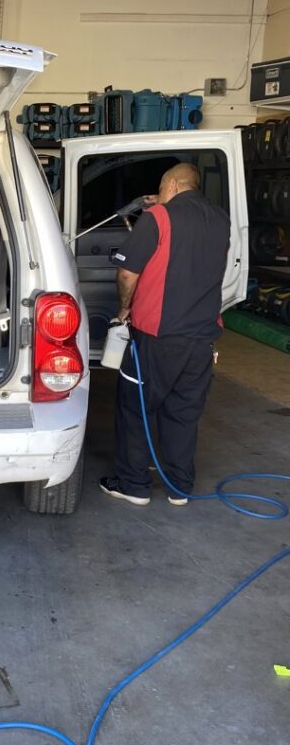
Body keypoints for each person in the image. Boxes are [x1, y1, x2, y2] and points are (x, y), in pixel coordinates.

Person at [99, 162, 231, 507]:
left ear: (171, 184)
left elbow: (128, 273)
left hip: (157, 336)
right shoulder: (221, 220)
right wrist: (159, 203)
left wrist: (124, 309)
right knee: (183, 411)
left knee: (136, 407)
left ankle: (133, 484)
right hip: (202, 337)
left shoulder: (158, 218)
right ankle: (179, 486)